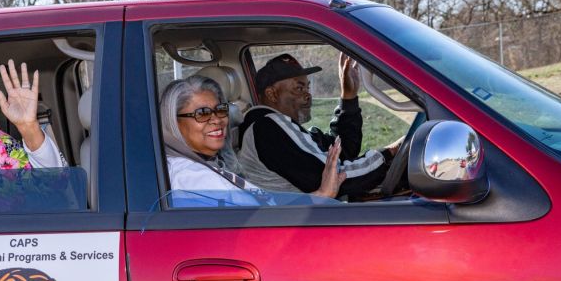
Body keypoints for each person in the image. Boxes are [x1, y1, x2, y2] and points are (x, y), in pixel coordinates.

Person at [160, 75, 345, 202]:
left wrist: (321, 194)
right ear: (173, 123)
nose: (216, 119)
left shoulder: (207, 165)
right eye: (202, 113)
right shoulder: (193, 179)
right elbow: (260, 223)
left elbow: (260, 212)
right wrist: (322, 196)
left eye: (220, 109)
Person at [239, 53, 396, 199]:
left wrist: (348, 97)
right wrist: (390, 153)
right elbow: (335, 181)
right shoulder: (268, 129)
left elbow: (343, 152)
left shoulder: (283, 130)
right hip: (296, 224)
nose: (308, 95)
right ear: (272, 94)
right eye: (299, 88)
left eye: (307, 87)